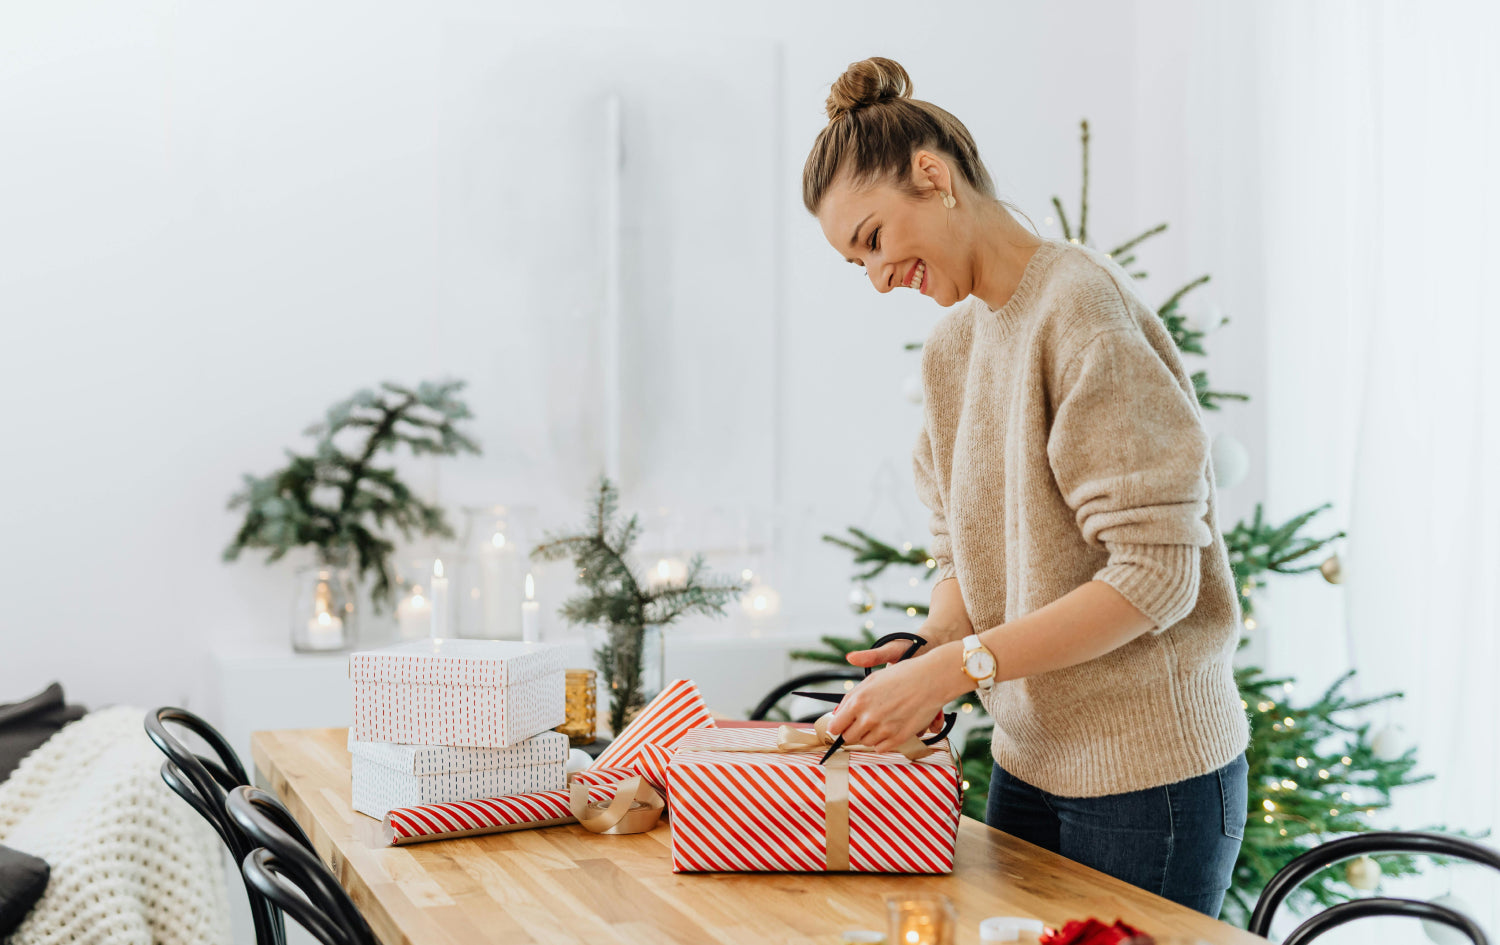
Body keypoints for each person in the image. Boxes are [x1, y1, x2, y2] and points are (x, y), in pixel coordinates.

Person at [803, 57, 1250, 918]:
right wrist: (932, 648)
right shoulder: (951, 350)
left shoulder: (1081, 309)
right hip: (1027, 762)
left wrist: (956, 671)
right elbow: (961, 549)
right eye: (854, 261)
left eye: (872, 238)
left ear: (931, 177)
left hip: (1153, 780)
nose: (876, 275)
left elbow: (1156, 577)